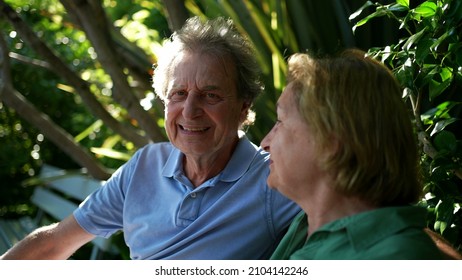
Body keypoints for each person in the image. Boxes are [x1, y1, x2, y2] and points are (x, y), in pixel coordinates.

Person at [0, 16, 300, 260]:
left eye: (211, 95)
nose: (190, 111)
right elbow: (55, 243)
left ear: (243, 107)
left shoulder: (272, 178)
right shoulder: (144, 166)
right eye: (179, 94)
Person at [261, 49, 448, 259]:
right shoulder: (307, 225)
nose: (264, 143)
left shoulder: (392, 258)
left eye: (280, 121)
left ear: (332, 141)